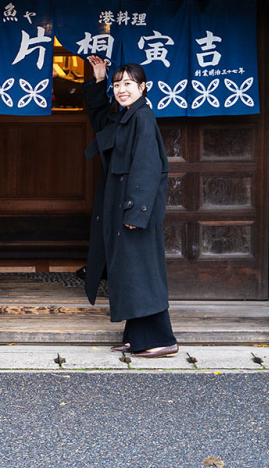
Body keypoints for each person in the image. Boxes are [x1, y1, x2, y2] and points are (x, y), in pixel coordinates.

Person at [82, 56, 178, 358]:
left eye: (128, 84)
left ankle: (162, 340)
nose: (122, 90)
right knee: (128, 270)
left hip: (135, 210)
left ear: (143, 87)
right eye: (117, 85)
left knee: (141, 271)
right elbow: (100, 120)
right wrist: (99, 79)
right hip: (122, 206)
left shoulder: (143, 118)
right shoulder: (126, 116)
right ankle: (137, 337)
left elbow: (148, 168)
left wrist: (137, 212)